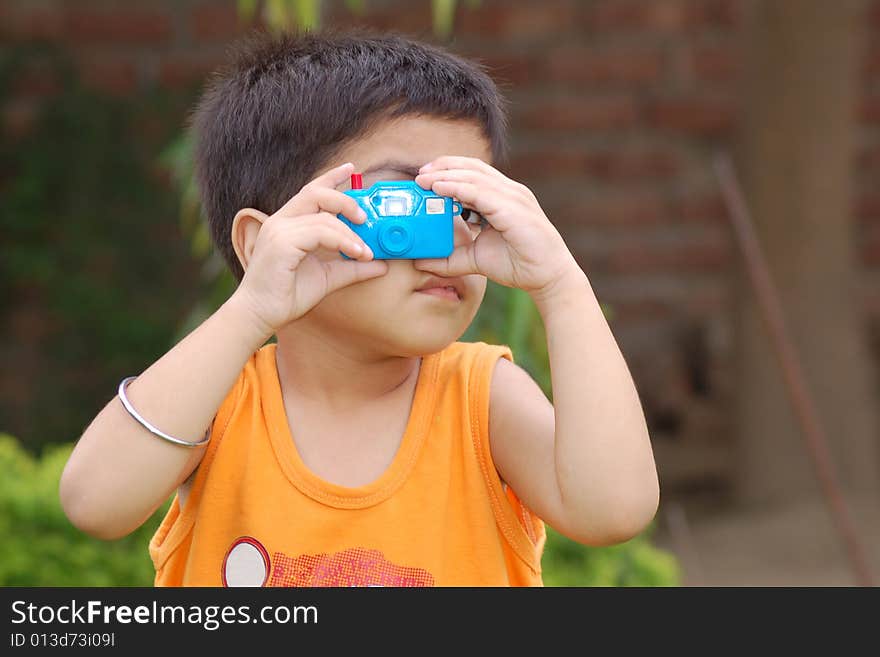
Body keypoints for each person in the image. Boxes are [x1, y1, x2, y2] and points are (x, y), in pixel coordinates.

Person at [59, 29, 659, 587]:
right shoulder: (218, 406)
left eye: (467, 208)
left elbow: (612, 510)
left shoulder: (482, 399)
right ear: (263, 243)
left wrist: (560, 284)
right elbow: (95, 503)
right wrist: (251, 309)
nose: (444, 240)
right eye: (404, 205)